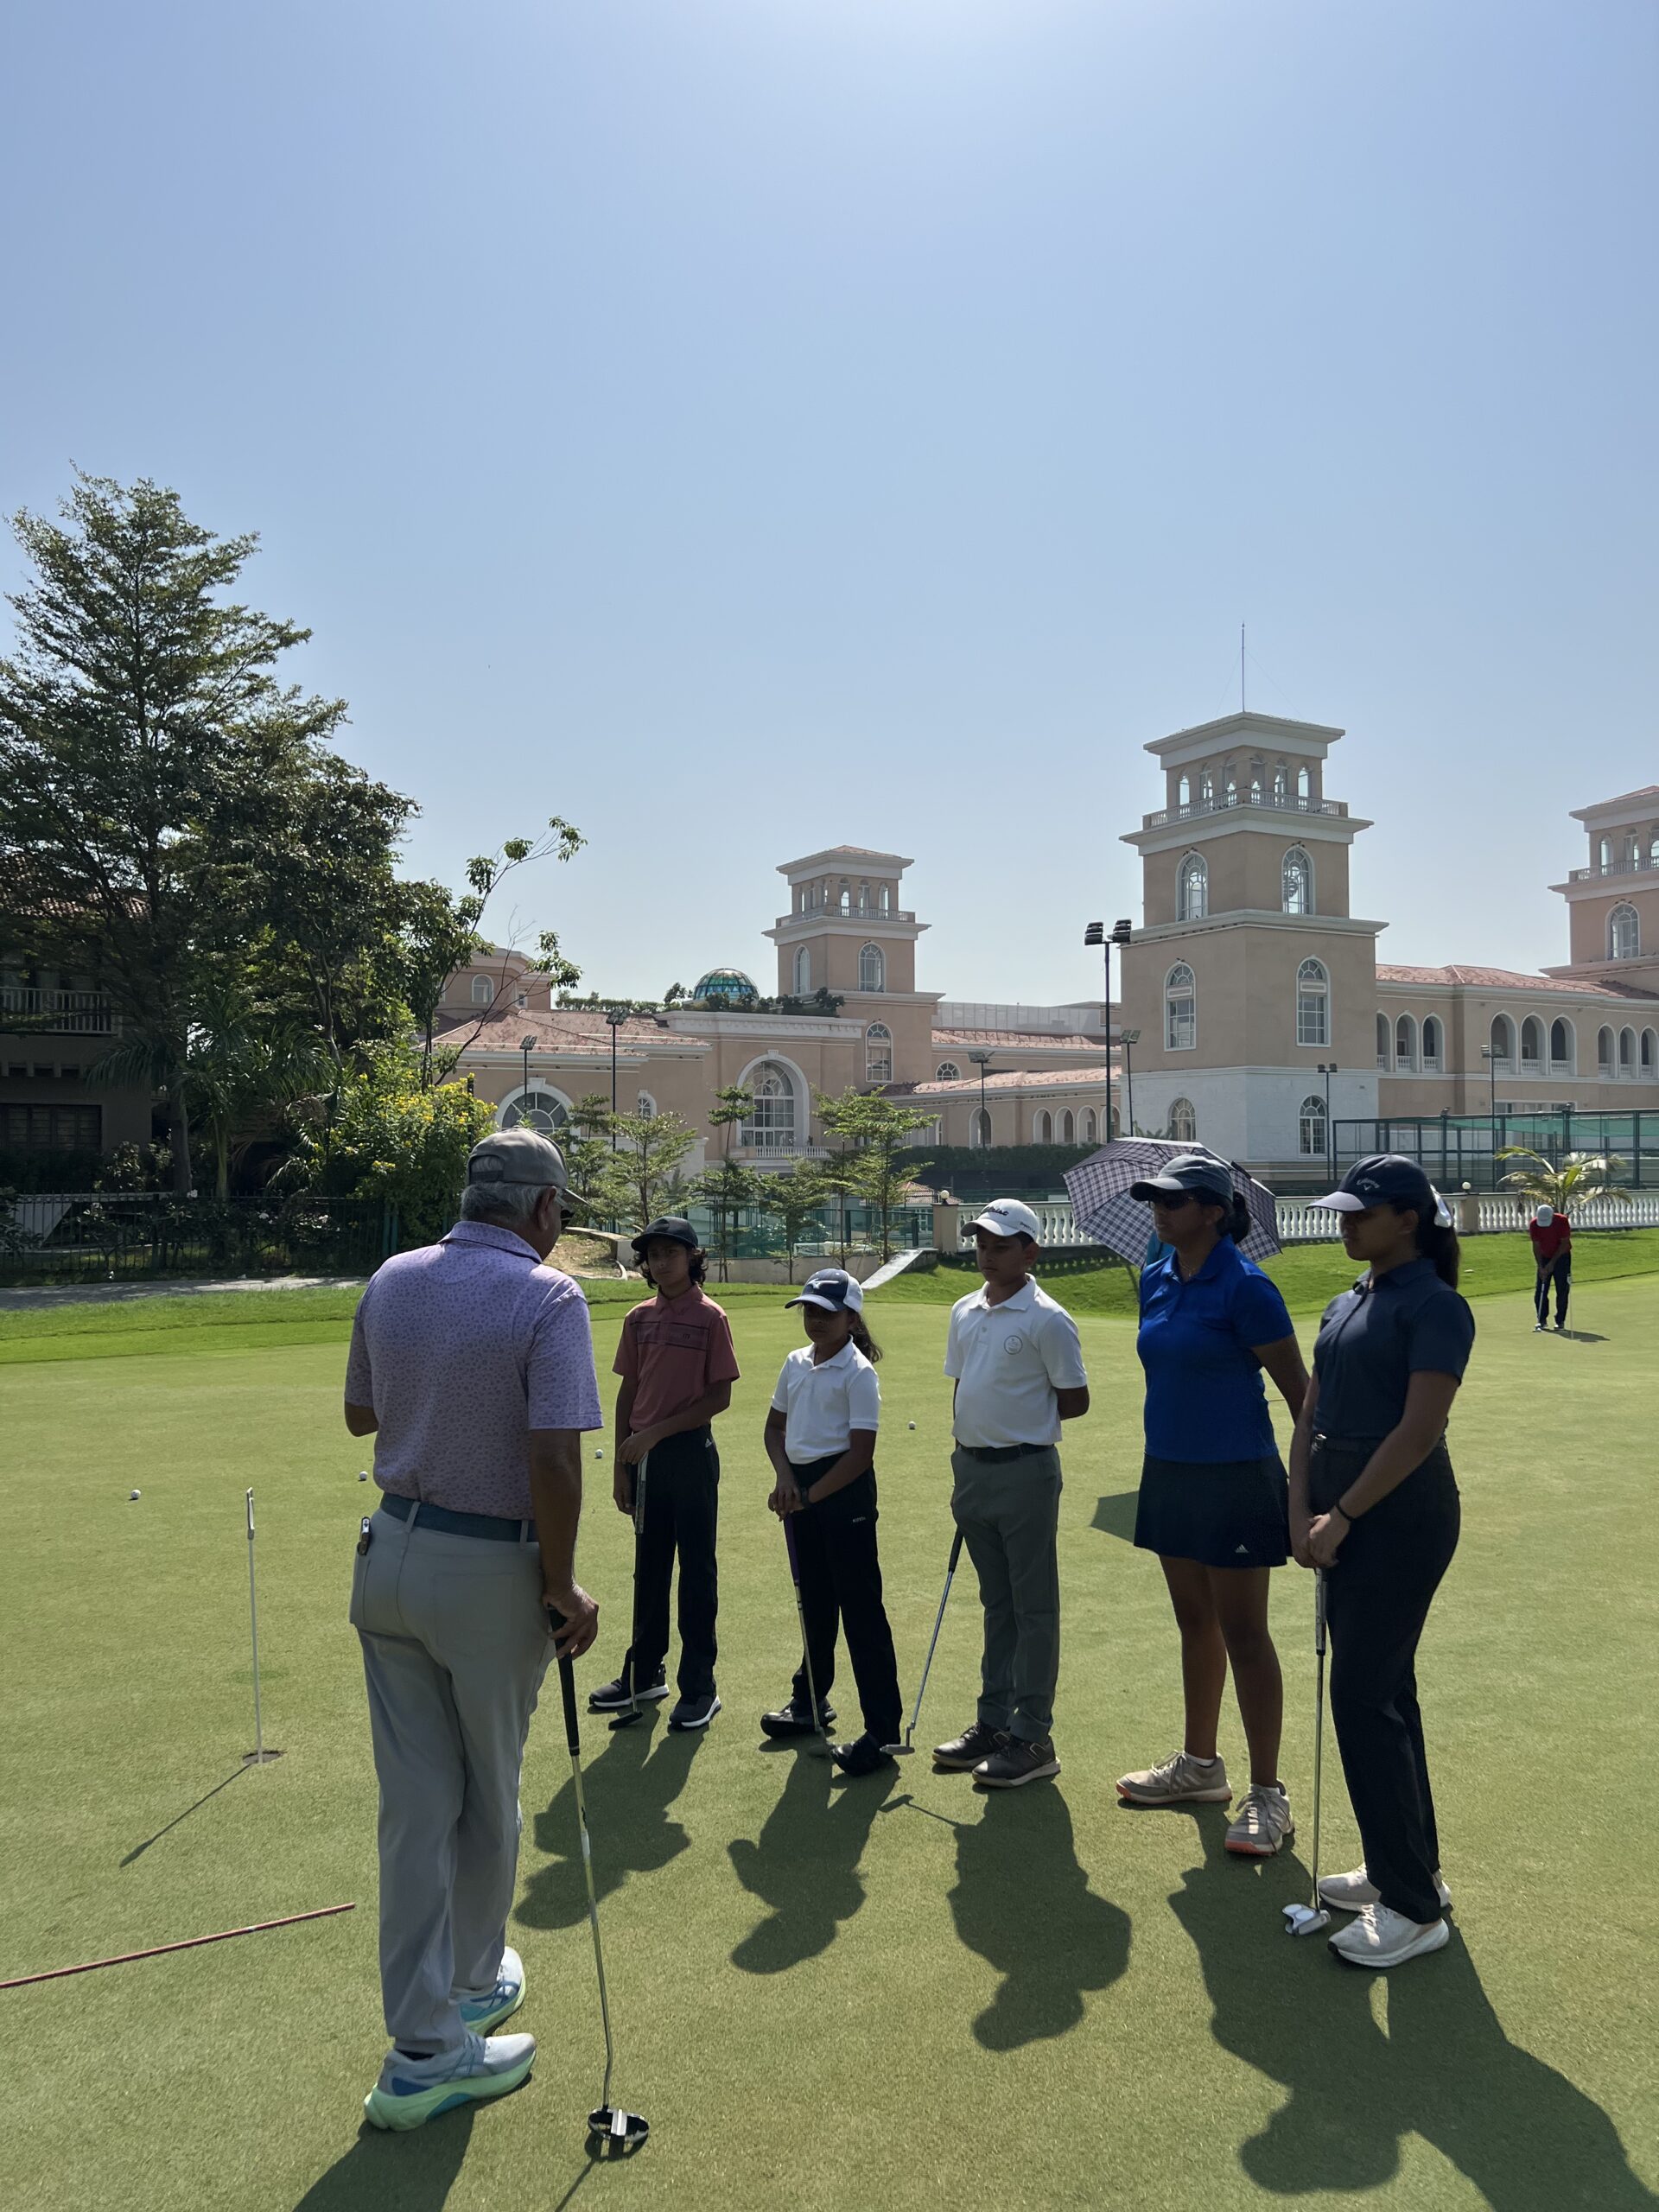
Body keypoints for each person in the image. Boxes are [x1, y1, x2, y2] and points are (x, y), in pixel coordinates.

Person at [343, 1128, 603, 2128]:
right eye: (562, 1209)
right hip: (488, 1568)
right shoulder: (549, 1296)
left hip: (388, 1556)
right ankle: (463, 1995)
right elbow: (555, 1458)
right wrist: (563, 1584)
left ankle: (427, 2028)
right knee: (489, 1792)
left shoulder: (393, 1275)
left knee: (416, 1809)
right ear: (541, 1207)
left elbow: (362, 1413)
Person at [1289, 1154, 1475, 1969]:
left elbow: (1418, 1432)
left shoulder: (1436, 1306)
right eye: (1343, 1212)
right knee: (1387, 1691)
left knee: (1363, 1695)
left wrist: (1343, 1516)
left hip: (1400, 1517)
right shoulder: (1347, 1300)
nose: (1347, 1225)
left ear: (1408, 1220)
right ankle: (1408, 1868)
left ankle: (1412, 1909)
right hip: (1339, 1510)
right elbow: (1311, 1414)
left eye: (1361, 1214)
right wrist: (1299, 1509)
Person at [1115, 1155, 1310, 1855]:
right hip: (1169, 1471)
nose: (1159, 1211)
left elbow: (1301, 1396)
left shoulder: (1248, 1287)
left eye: (1173, 1201)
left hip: (1236, 1477)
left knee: (1245, 1634)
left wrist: (1311, 1494)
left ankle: (1268, 1794)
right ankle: (1200, 1767)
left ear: (1214, 1212)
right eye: (1154, 1200)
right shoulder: (1157, 1277)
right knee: (1194, 1622)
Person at [934, 1198, 1090, 1788]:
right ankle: (994, 1721)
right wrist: (967, 1454)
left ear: (1031, 1252)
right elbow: (962, 1388)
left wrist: (1016, 1429)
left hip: (1026, 1472)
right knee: (997, 1605)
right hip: (972, 1471)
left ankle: (1033, 1736)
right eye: (982, 1244)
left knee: (1033, 1607)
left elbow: (1075, 1400)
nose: (987, 1255)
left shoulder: (1048, 1319)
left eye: (1001, 1246)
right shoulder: (964, 1310)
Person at [588, 1216, 739, 1730]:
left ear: (693, 1258)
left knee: (696, 1573)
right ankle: (645, 1672)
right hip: (644, 1460)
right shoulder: (638, 1319)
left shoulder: (711, 1318)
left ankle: (700, 1686)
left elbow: (719, 1397)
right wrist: (620, 1467)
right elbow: (628, 1392)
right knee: (649, 1571)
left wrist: (654, 1434)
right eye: (653, 1254)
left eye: (671, 1252)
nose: (661, 1262)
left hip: (690, 1455)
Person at [761, 1268, 904, 1777]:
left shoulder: (859, 1373)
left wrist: (808, 1496)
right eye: (809, 1310)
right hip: (801, 1489)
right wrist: (786, 1480)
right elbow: (774, 1429)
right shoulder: (795, 1362)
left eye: (828, 1312)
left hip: (844, 1494)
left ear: (851, 1319)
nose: (816, 1320)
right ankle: (810, 1702)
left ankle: (883, 1732)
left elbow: (860, 1454)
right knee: (815, 1605)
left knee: (861, 1612)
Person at [1529, 1202, 1572, 1332]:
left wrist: (1552, 1263)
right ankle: (1541, 1320)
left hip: (1562, 1257)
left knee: (1562, 1290)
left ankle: (1560, 1321)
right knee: (1540, 1290)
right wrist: (1541, 1267)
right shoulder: (1534, 1224)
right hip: (1544, 1257)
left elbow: (1564, 1244)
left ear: (1552, 1216)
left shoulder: (1562, 1221)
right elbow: (1536, 1246)